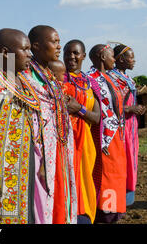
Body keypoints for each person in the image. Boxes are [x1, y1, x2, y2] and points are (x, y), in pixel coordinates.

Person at [0, 28, 41, 224]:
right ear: (6, 52)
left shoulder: (25, 82)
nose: (30, 55)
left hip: (26, 165)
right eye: (25, 49)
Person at [27, 25, 77, 224]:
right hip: (41, 155)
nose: (59, 46)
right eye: (54, 42)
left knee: (59, 198)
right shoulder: (28, 78)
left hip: (59, 150)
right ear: (36, 46)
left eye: (59, 41)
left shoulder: (49, 76)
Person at [62, 40, 102, 224]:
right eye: (67, 52)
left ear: (84, 56)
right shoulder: (57, 78)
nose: (71, 56)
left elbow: (96, 118)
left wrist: (79, 109)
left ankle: (82, 216)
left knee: (84, 181)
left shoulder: (90, 84)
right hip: (63, 141)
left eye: (75, 53)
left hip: (85, 143)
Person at [87, 44, 126, 223]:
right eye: (112, 55)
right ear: (102, 56)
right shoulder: (90, 79)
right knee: (107, 177)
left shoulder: (109, 78)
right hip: (103, 138)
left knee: (116, 175)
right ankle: (106, 214)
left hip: (116, 136)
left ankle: (114, 212)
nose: (115, 59)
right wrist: (103, 141)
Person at [109, 44, 146, 206]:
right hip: (119, 128)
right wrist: (131, 108)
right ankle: (117, 198)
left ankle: (127, 198)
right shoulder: (111, 79)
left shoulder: (127, 79)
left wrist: (137, 109)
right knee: (120, 161)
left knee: (131, 159)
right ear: (121, 59)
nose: (134, 60)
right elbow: (109, 106)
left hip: (131, 127)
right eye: (131, 57)